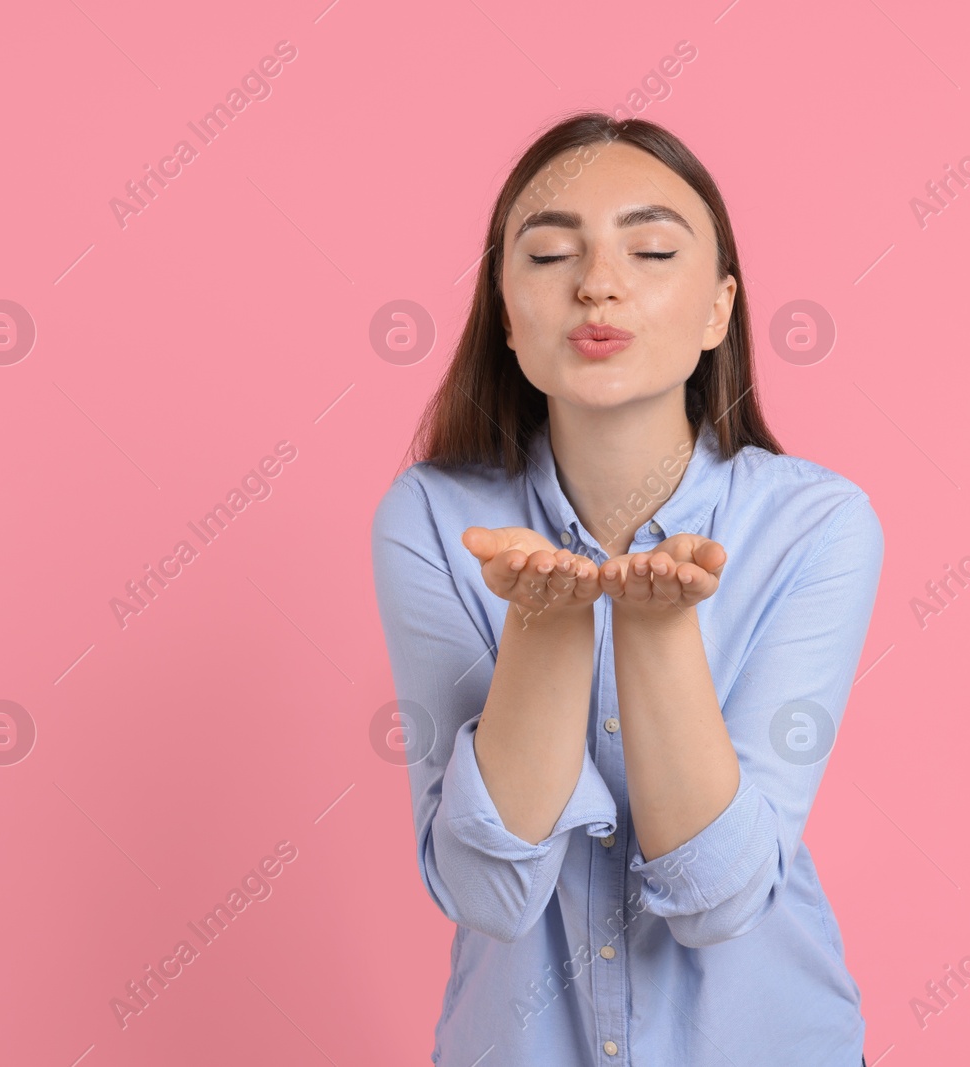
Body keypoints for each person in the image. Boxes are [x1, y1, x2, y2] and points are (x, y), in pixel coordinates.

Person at [371, 111, 884, 1067]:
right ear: (507, 314)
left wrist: (657, 631)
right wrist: (545, 626)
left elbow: (720, 898)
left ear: (719, 309)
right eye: (550, 254)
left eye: (650, 250)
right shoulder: (433, 518)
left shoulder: (819, 525)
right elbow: (488, 892)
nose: (597, 282)